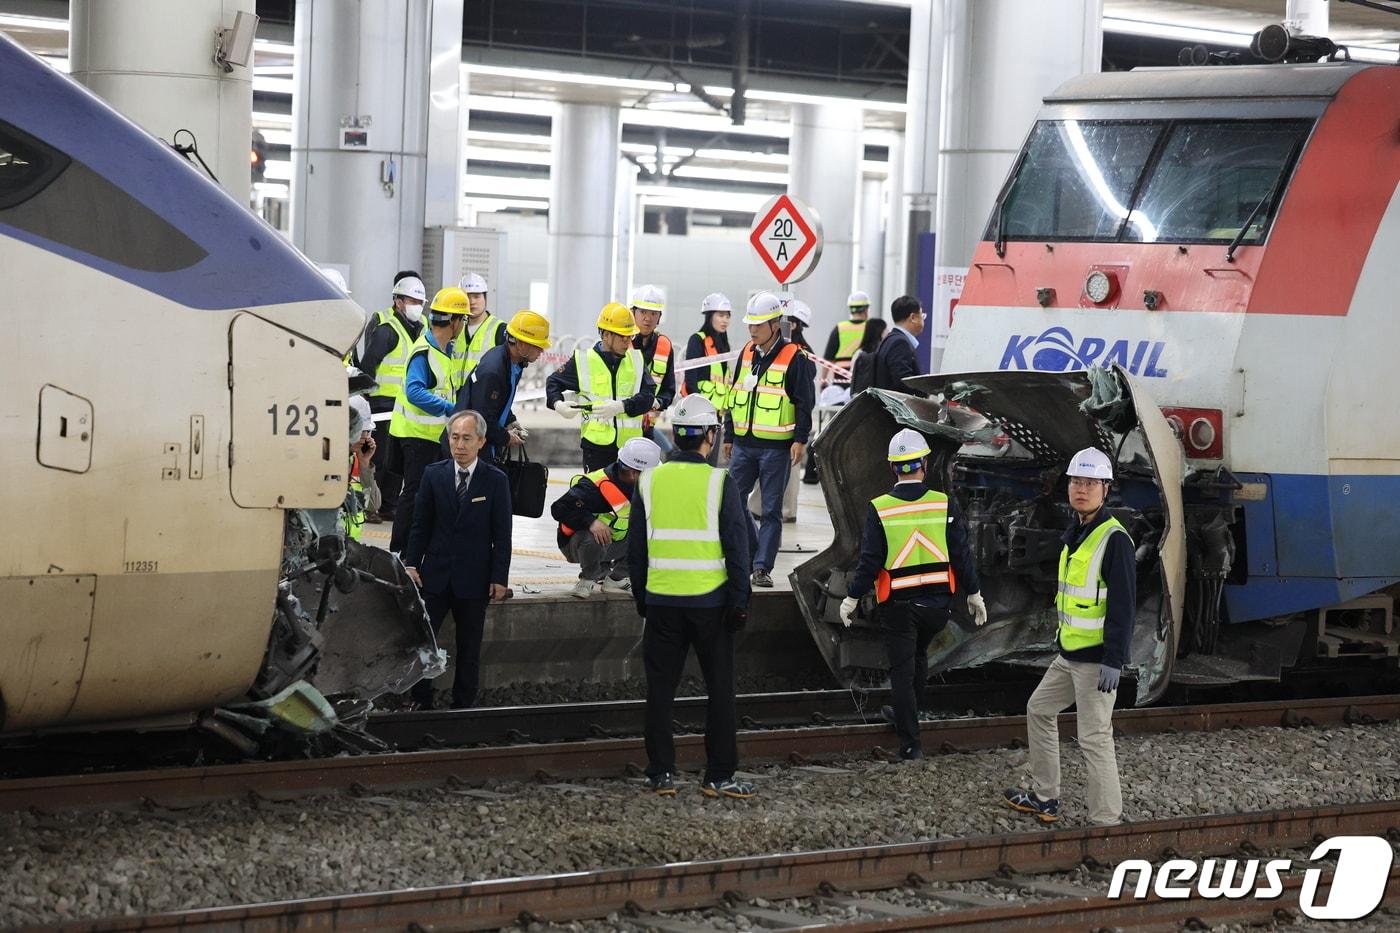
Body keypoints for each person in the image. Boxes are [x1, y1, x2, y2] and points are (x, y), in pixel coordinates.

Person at [629, 395, 754, 798]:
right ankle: (718, 776)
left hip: (662, 602)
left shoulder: (649, 481)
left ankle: (661, 773)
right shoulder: (720, 481)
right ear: (711, 436)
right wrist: (740, 602)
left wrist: (643, 599)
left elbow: (636, 551)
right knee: (719, 690)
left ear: (675, 435)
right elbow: (738, 548)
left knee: (660, 690)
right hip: (711, 606)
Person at [1004, 447, 1134, 825]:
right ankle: (1045, 797)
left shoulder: (1115, 540)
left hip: (1096, 661)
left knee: (1094, 737)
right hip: (1070, 655)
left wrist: (1115, 658)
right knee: (1039, 709)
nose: (1082, 489)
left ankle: (1106, 820)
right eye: (1077, 481)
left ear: (1105, 489)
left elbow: (1124, 604)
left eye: (1091, 483)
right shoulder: (1076, 531)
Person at [839, 428, 987, 760]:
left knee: (902, 670)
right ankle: (908, 714)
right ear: (924, 462)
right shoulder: (943, 503)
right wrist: (974, 593)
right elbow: (962, 554)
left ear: (894, 467)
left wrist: (851, 597)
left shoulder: (881, 508)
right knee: (918, 657)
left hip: (899, 607)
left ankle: (910, 742)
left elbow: (870, 561)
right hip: (937, 607)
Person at [403, 410, 512, 710]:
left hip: (475, 578)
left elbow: (502, 534)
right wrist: (412, 564)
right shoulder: (433, 474)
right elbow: (420, 524)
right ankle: (420, 700)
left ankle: (463, 704)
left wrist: (499, 577)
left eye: (466, 438)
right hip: (433, 576)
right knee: (425, 643)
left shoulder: (495, 480)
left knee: (469, 647)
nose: (459, 445)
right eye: (454, 438)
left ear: (481, 441)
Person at [723, 292, 816, 589]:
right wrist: (728, 435)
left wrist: (800, 440)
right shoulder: (745, 354)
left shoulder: (794, 358)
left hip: (777, 448)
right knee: (733, 501)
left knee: (771, 510)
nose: (752, 330)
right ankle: (750, 553)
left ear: (776, 324)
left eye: (759, 324)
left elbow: (804, 402)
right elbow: (732, 396)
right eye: (750, 324)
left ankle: (762, 567)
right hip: (744, 445)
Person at [388, 287, 469, 553]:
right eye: (463, 320)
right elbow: (414, 391)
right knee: (413, 495)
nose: (463, 325)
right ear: (455, 321)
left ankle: (416, 550)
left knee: (425, 496)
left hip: (429, 436)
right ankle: (400, 553)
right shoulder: (425, 351)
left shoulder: (444, 350)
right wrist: (450, 408)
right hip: (415, 436)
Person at [547, 302, 656, 472]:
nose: (627, 341)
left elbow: (649, 396)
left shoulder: (636, 360)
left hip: (630, 449)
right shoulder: (583, 360)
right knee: (596, 496)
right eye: (622, 336)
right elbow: (553, 382)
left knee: (627, 498)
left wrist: (622, 406)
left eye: (630, 336)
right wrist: (558, 404)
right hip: (596, 448)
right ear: (606, 335)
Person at [553, 436, 661, 599]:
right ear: (634, 473)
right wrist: (591, 522)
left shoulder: (638, 485)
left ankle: (616, 579)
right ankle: (587, 579)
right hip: (578, 545)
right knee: (592, 536)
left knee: (652, 531)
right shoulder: (593, 486)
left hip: (613, 542)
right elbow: (558, 508)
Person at [359, 273, 425, 523]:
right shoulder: (387, 330)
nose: (417, 307)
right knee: (381, 458)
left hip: (407, 405)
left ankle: (390, 504)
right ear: (398, 301)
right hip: (382, 405)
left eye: (420, 302)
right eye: (412, 301)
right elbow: (368, 366)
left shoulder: (422, 327)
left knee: (398, 459)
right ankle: (372, 506)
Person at [455, 310, 551, 461]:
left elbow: (498, 400)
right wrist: (506, 438)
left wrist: (510, 420)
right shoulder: (494, 370)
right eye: (538, 345)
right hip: (469, 448)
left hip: (481, 443)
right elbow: (482, 418)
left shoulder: (515, 363)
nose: (542, 351)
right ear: (521, 344)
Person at [630, 284, 676, 455]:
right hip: (619, 429)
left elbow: (669, 390)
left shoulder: (664, 345)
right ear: (633, 312)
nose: (648, 318)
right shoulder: (622, 342)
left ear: (659, 317)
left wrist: (659, 402)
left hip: (648, 429)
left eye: (653, 313)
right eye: (643, 312)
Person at [681, 292, 733, 413]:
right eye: (721, 315)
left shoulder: (725, 345)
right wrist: (699, 405)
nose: (725, 320)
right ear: (710, 316)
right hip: (699, 409)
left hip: (718, 410)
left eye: (727, 316)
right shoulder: (697, 340)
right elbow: (690, 379)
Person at [454, 272, 507, 379]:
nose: (472, 301)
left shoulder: (500, 330)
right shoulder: (454, 328)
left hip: (483, 394)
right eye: (467, 297)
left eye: (476, 296)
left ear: (485, 298)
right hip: (455, 395)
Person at [873, 295, 927, 398]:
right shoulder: (899, 343)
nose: (923, 320)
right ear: (913, 318)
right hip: (897, 410)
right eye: (922, 316)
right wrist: (925, 388)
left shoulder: (890, 339)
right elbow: (904, 381)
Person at [343, 394, 381, 540]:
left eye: (366, 432)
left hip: (349, 549)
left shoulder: (358, 460)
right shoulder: (324, 459)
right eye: (360, 431)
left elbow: (373, 504)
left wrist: (365, 465)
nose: (364, 437)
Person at [821, 291, 871, 388]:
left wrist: (823, 380)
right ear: (866, 309)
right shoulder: (871, 328)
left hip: (841, 378)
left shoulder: (840, 328)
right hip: (864, 377)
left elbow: (828, 358)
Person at [848, 318, 888, 397]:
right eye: (885, 329)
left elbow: (852, 375)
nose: (888, 332)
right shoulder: (881, 352)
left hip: (859, 395)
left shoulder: (859, 353)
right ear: (880, 331)